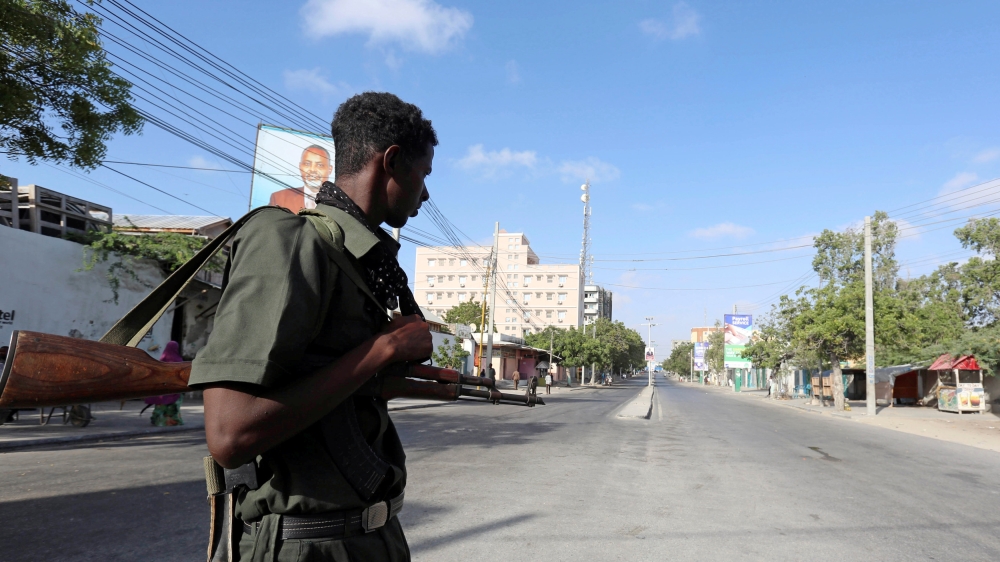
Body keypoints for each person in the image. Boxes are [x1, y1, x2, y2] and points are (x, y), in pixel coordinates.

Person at [190, 92, 437, 562]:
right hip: (306, 545)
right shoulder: (288, 241)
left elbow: (329, 395)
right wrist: (383, 350)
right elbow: (230, 434)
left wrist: (380, 380)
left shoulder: (359, 261)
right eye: (423, 175)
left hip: (369, 537)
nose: (424, 193)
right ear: (392, 161)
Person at [268, 144, 334, 211]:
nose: (312, 169)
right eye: (307, 164)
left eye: (320, 165)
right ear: (300, 167)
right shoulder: (279, 199)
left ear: (330, 170)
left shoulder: (339, 202)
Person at [145, 341, 184, 426]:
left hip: (163, 389)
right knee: (173, 407)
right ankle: (173, 421)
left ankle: (159, 421)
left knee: (161, 405)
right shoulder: (178, 360)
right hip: (175, 388)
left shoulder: (163, 359)